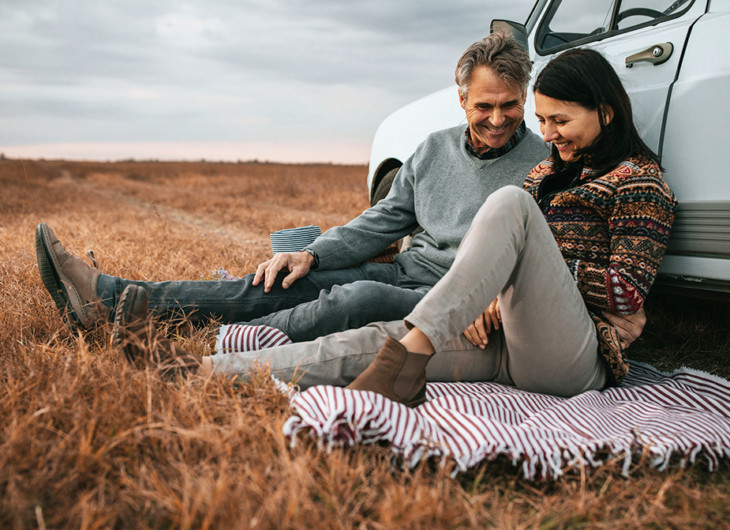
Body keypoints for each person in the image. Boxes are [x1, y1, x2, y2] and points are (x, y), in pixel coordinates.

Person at [113, 48, 672, 401]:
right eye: (544, 120)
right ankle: (195, 369)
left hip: (573, 359)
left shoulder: (638, 182)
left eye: (558, 120)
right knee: (369, 344)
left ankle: (418, 340)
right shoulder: (545, 173)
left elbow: (624, 292)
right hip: (501, 336)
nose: (547, 133)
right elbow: (403, 225)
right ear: (462, 101)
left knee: (504, 208)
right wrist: (491, 296)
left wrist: (515, 281)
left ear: (606, 112)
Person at [36, 32, 549, 345]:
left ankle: (217, 342)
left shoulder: (545, 164)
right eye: (485, 106)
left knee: (356, 297)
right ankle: (113, 297)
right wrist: (312, 254)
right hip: (405, 271)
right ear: (461, 100)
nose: (498, 119)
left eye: (509, 105)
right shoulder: (433, 149)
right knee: (281, 281)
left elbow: (545, 252)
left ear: (524, 96)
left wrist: (494, 296)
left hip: (459, 296)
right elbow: (384, 219)